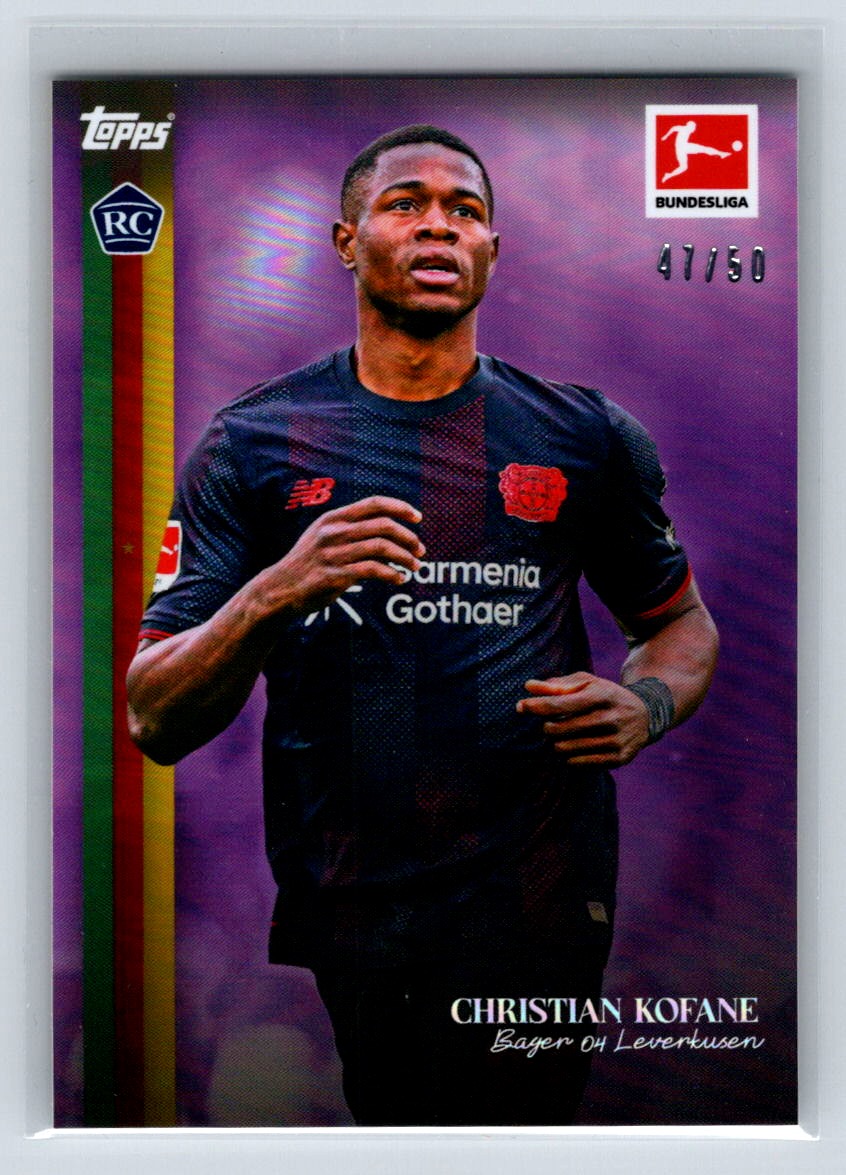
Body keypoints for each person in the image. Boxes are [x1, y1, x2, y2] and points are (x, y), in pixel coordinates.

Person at [127, 125, 719, 1126]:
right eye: (406, 204)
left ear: (492, 250)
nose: (439, 225)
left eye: (465, 210)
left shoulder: (582, 433)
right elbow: (154, 713)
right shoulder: (256, 440)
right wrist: (278, 587)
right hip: (361, 902)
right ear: (346, 240)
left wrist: (647, 703)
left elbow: (681, 625)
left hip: (540, 891)